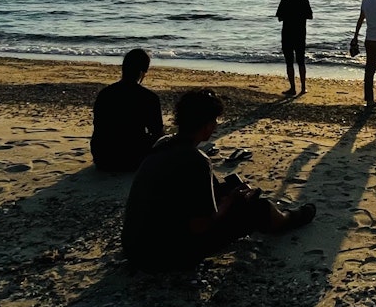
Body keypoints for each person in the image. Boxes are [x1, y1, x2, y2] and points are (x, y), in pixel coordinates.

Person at [121, 88, 315, 272]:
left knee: (224, 191)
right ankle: (288, 218)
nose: (215, 126)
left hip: (134, 248)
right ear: (206, 125)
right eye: (214, 121)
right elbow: (200, 226)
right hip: (166, 257)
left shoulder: (162, 144)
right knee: (258, 207)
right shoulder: (196, 160)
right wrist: (227, 205)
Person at [91, 48, 164, 172]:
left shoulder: (105, 94)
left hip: (102, 157)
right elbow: (156, 131)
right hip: (133, 159)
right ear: (143, 71)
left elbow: (98, 125)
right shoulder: (149, 98)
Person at [275, 0, 314, 96]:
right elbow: (310, 16)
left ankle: (292, 88)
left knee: (289, 62)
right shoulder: (303, 0)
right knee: (301, 61)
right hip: (300, 34)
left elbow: (280, 18)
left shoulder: (284, 0)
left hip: (287, 35)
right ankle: (303, 88)